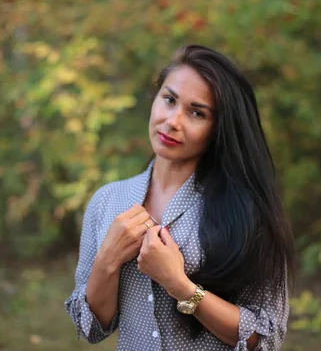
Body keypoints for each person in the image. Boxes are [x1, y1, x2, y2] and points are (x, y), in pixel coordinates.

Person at [65, 45, 294, 350]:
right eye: (169, 100)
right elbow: (92, 328)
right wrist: (107, 260)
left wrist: (180, 285)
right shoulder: (108, 201)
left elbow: (264, 339)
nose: (173, 121)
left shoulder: (248, 211)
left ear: (218, 129)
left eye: (197, 113)